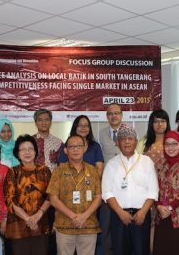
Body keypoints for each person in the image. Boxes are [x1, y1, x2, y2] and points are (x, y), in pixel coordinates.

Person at [102, 125, 159, 255]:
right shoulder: (111, 164)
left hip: (141, 217)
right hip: (119, 217)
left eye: (130, 138)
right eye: (122, 139)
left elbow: (153, 190)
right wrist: (120, 212)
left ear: (136, 141)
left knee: (141, 251)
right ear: (117, 143)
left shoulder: (146, 162)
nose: (127, 141)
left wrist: (143, 212)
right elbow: (107, 192)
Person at [47, 134, 102, 255]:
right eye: (72, 147)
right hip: (64, 226)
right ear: (66, 150)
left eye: (79, 146)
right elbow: (53, 198)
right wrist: (73, 216)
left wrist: (84, 216)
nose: (76, 149)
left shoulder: (93, 170)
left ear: (85, 148)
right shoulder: (58, 171)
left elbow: (98, 197)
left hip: (88, 225)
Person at [4, 134, 51, 255]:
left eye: (30, 148)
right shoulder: (12, 171)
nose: (27, 152)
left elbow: (51, 196)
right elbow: (10, 199)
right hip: (19, 225)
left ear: (35, 152)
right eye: (23, 149)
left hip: (41, 223)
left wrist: (38, 215)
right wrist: (29, 219)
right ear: (18, 153)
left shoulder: (45, 170)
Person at [136, 108, 171, 253]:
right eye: (156, 121)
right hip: (147, 190)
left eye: (163, 121)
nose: (159, 124)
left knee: (164, 226)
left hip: (167, 190)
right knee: (150, 225)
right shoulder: (144, 142)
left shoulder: (172, 140)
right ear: (151, 124)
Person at [32, 108, 63, 255]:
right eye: (40, 119)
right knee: (36, 226)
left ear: (50, 122)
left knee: (51, 226)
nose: (43, 122)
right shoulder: (29, 141)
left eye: (46, 119)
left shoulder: (58, 143)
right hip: (33, 191)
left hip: (53, 192)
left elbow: (62, 167)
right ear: (35, 122)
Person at [98, 103, 124, 255]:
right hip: (107, 184)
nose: (113, 116)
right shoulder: (101, 133)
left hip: (125, 184)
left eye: (116, 113)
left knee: (123, 221)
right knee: (106, 223)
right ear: (107, 116)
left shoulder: (129, 131)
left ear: (121, 115)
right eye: (110, 114)